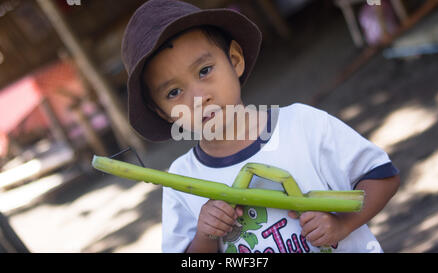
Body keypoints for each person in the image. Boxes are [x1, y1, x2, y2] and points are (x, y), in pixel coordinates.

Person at [121, 0, 400, 253]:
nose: (197, 98)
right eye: (173, 93)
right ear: (164, 113)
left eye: (204, 71)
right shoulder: (182, 181)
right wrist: (206, 235)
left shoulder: (301, 125)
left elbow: (382, 177)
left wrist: (342, 225)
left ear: (235, 61)